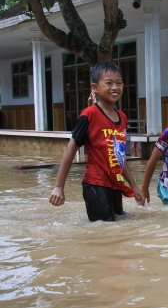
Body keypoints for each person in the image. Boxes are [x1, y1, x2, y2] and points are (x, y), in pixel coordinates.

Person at [49, 62, 145, 221]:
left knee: (117, 228)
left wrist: (134, 186)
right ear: (95, 87)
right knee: (104, 230)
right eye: (109, 83)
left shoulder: (122, 117)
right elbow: (70, 149)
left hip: (115, 184)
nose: (115, 87)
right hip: (95, 184)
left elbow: (120, 157)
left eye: (119, 83)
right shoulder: (89, 115)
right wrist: (59, 187)